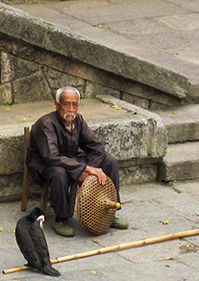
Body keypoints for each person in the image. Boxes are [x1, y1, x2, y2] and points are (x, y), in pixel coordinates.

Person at [27, 87, 127, 237]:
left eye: (75, 105)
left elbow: (97, 147)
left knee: (109, 161)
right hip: (44, 165)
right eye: (66, 104)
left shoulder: (78, 120)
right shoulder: (46, 123)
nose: (71, 109)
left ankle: (109, 212)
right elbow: (50, 156)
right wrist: (82, 169)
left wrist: (88, 169)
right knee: (59, 172)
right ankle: (61, 219)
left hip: (71, 159)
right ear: (57, 104)